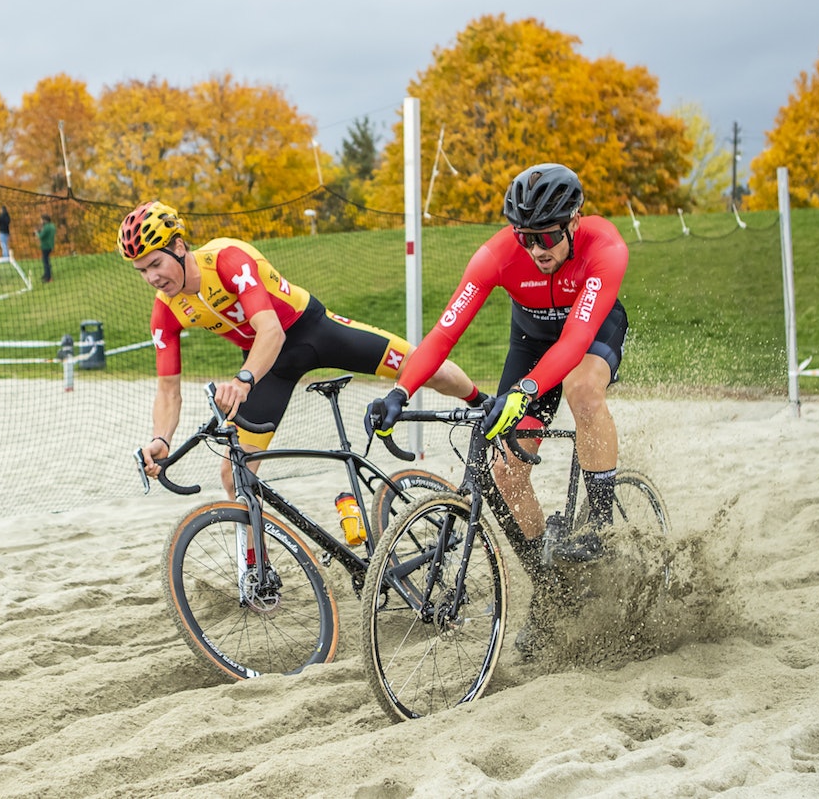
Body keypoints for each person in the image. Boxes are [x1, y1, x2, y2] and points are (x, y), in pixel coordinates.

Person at [365, 163, 629, 651]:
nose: (536, 250)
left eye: (547, 236)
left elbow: (574, 341)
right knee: (505, 472)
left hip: (589, 334)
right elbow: (444, 333)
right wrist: (399, 393)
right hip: (530, 341)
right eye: (525, 237)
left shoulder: (605, 247)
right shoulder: (497, 256)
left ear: (575, 221)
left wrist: (522, 393)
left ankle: (600, 525)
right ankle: (552, 592)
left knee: (582, 390)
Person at [121, 200, 484, 499]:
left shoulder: (227, 259)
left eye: (156, 263)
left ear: (180, 247)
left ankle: (482, 404)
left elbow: (272, 332)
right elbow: (168, 390)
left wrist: (243, 380)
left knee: (426, 366)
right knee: (235, 476)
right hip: (269, 367)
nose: (152, 277)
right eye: (142, 270)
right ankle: (256, 575)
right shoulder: (165, 310)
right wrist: (160, 439)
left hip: (310, 331)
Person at [38, 214, 56, 283]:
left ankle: (48, 277)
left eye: (41, 220)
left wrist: (37, 232)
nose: (41, 221)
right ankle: (46, 274)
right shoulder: (52, 225)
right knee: (46, 260)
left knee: (46, 262)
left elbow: (41, 236)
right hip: (51, 246)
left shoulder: (46, 227)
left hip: (45, 246)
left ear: (45, 220)